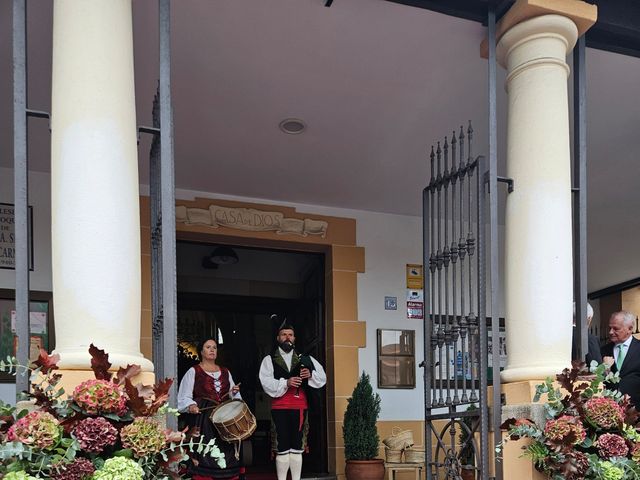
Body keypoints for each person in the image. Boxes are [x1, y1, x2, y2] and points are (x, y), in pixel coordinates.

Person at [259, 319, 326, 480]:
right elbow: (266, 382)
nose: (287, 337)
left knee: (297, 447)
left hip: (300, 408)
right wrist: (285, 383)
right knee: (282, 448)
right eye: (283, 334)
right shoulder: (269, 359)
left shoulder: (306, 359)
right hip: (279, 408)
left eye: (290, 335)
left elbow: (322, 378)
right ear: (278, 338)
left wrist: (310, 375)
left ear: (294, 338)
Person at [178, 338, 242, 480]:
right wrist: (191, 405)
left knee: (227, 451)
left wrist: (234, 391)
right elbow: (183, 397)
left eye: (214, 347)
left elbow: (235, 397)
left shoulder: (225, 372)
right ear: (201, 351)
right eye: (208, 347)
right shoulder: (193, 371)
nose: (212, 350)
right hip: (204, 419)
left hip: (224, 419)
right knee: (206, 452)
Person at [601, 311, 640, 407]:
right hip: (610, 408)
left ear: (630, 329)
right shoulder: (603, 350)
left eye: (615, 329)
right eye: (610, 328)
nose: (610, 332)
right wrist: (605, 369)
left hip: (636, 409)